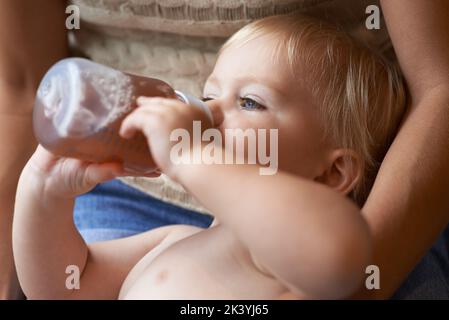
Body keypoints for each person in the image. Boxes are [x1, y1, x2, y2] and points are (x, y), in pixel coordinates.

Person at [1, 0, 449, 299]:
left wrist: (189, 158)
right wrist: (43, 192)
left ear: (332, 175)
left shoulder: (292, 265)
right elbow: (65, 288)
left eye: (249, 102)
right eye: (209, 95)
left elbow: (342, 252)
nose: (209, 114)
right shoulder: (175, 241)